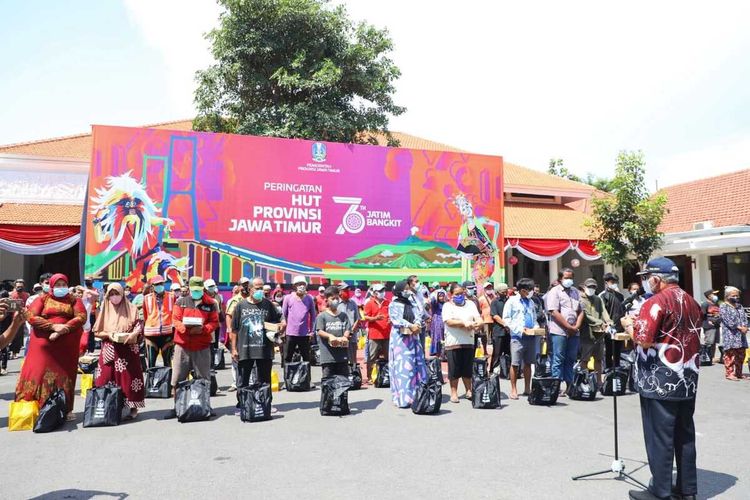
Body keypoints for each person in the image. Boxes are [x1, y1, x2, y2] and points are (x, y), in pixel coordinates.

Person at [625, 257, 702, 500]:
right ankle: (687, 489)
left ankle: (660, 491)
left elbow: (644, 339)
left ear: (657, 279)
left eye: (648, 278)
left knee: (660, 437)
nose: (647, 282)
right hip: (687, 377)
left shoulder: (655, 302)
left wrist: (629, 325)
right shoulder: (691, 301)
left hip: (659, 379)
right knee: (684, 434)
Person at [15, 273, 86, 418]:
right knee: (38, 372)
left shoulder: (74, 300)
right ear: (52, 286)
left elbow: (81, 317)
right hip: (43, 343)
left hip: (66, 346)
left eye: (63, 285)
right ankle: (35, 406)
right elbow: (31, 316)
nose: (61, 288)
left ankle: (65, 409)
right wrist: (52, 327)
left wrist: (64, 328)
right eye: (58, 285)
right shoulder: (43, 298)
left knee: (65, 375)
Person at [166, 276, 219, 418]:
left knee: (204, 378)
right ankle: (177, 406)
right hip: (182, 346)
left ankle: (205, 405)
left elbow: (214, 322)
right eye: (194, 290)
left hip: (201, 346)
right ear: (189, 289)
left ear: (203, 289)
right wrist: (185, 329)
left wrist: (203, 329)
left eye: (199, 290)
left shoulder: (211, 304)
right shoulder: (181, 302)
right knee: (178, 378)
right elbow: (175, 320)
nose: (197, 292)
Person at [230, 277, 283, 413]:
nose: (260, 291)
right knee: (243, 380)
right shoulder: (240, 306)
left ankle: (265, 404)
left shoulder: (268, 305)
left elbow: (278, 322)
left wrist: (281, 326)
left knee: (264, 379)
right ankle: (243, 405)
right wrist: (234, 349)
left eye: (262, 288)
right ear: (250, 289)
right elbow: (234, 329)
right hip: (244, 349)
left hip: (264, 349)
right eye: (257, 288)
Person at [93, 283, 145, 419]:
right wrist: (109, 335)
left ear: (122, 294)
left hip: (128, 349)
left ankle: (133, 407)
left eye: (117, 294)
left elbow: (139, 325)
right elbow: (97, 332)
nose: (114, 297)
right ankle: (106, 405)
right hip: (110, 349)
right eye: (111, 294)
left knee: (130, 379)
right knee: (103, 378)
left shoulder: (132, 308)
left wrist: (133, 334)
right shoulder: (105, 309)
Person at [387, 280, 428, 408]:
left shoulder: (412, 302)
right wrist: (410, 325)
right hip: (401, 340)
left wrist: (417, 324)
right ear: (399, 291)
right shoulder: (393, 304)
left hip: (414, 338)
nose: (408, 290)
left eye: (408, 288)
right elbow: (396, 319)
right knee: (404, 368)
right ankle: (404, 398)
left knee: (417, 365)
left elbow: (419, 314)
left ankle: (418, 395)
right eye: (405, 288)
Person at [441, 282, 482, 403]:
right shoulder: (447, 306)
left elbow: (477, 317)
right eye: (457, 294)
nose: (460, 296)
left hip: (468, 340)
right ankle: (454, 392)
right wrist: (464, 323)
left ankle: (468, 390)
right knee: (454, 368)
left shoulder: (470, 304)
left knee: (467, 367)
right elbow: (449, 321)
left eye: (462, 293)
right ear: (451, 294)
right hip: (453, 341)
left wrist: (479, 323)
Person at [546, 267, 583, 395]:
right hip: (559, 331)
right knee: (558, 358)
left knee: (571, 358)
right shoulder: (555, 292)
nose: (569, 280)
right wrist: (568, 326)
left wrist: (576, 326)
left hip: (574, 331)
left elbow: (581, 311)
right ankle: (555, 387)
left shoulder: (576, 292)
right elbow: (553, 311)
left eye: (571, 278)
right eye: (566, 278)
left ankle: (569, 386)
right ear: (560, 279)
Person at [502, 278, 539, 399]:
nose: (532, 292)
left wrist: (536, 328)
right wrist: (519, 329)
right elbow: (506, 319)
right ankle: (514, 389)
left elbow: (534, 318)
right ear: (523, 290)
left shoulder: (531, 302)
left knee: (528, 363)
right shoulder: (512, 301)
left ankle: (527, 388)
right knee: (515, 363)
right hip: (517, 337)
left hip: (530, 336)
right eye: (530, 290)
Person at [315, 286, 352, 380]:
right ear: (327, 300)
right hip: (328, 357)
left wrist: (345, 336)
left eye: (337, 298)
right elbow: (319, 331)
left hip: (342, 356)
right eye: (333, 298)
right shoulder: (322, 316)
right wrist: (330, 336)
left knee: (343, 382)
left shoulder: (343, 316)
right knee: (328, 383)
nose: (335, 300)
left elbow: (348, 328)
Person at [579, 278, 611, 385]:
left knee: (598, 358)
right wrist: (599, 322)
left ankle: (598, 381)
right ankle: (585, 381)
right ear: (584, 287)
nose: (591, 289)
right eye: (589, 287)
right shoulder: (581, 300)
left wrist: (608, 321)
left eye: (593, 287)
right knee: (585, 359)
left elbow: (604, 312)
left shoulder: (598, 299)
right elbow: (586, 315)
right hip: (586, 333)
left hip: (599, 333)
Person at [142, 275, 176, 368]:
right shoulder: (146, 298)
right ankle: (150, 382)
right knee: (151, 363)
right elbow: (145, 316)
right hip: (151, 335)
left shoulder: (171, 296)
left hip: (167, 334)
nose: (159, 285)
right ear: (152, 286)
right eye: (157, 284)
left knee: (167, 363)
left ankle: (167, 382)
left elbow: (175, 314)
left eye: (161, 283)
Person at [282, 276, 316, 363]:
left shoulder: (309, 299)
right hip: (290, 333)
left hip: (304, 334)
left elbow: (313, 316)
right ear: (294, 286)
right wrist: (283, 331)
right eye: (299, 284)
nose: (302, 286)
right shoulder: (288, 298)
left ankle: (305, 376)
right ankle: (287, 376)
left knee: (306, 358)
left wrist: (312, 331)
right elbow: (283, 315)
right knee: (287, 358)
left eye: (303, 284)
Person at [718, 286, 748, 381]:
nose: (736, 297)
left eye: (737, 295)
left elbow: (744, 317)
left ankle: (739, 373)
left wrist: (745, 326)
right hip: (730, 335)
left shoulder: (740, 306)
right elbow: (727, 320)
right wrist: (739, 327)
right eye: (733, 295)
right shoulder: (723, 306)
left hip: (741, 335)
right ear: (727, 296)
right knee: (730, 354)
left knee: (741, 354)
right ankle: (730, 373)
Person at [363, 283, 390, 384]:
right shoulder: (369, 303)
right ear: (374, 293)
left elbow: (391, 314)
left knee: (388, 356)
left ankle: (386, 375)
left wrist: (390, 320)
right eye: (380, 291)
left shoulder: (388, 302)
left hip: (387, 334)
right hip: (374, 334)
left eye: (383, 290)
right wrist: (375, 318)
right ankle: (369, 376)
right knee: (372, 357)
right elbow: (365, 317)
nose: (382, 293)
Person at [599, 272, 625, 369]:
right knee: (609, 350)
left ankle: (617, 368)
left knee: (618, 351)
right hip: (609, 328)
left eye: (615, 282)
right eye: (612, 281)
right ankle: (608, 369)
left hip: (620, 327)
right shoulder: (603, 296)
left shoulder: (620, 296)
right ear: (606, 282)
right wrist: (607, 325)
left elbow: (623, 310)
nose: (614, 283)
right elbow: (602, 313)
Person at [337, 283, 361, 366]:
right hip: (339, 336)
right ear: (339, 292)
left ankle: (353, 375)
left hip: (352, 336)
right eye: (345, 290)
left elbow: (358, 319)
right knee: (340, 358)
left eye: (348, 290)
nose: (347, 292)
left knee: (352, 359)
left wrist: (350, 332)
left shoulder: (353, 303)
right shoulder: (335, 304)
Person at [489, 283, 510, 374]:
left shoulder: (509, 301)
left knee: (508, 351)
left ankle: (507, 370)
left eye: (506, 291)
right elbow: (495, 316)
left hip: (509, 331)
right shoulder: (495, 302)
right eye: (502, 292)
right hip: (498, 330)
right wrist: (505, 324)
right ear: (498, 292)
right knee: (497, 352)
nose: (505, 293)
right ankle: (493, 370)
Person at [8, 279, 29, 358]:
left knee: (18, 336)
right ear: (15, 286)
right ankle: (7, 351)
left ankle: (15, 352)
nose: (19, 288)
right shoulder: (10, 295)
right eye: (18, 286)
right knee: (9, 334)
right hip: (10, 318)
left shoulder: (27, 295)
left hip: (20, 318)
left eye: (21, 286)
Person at [700, 289, 721, 362]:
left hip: (716, 325)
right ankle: (707, 357)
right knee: (709, 342)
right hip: (709, 326)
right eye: (714, 294)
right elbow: (702, 315)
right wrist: (708, 322)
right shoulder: (705, 304)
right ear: (709, 296)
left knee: (714, 342)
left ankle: (712, 357)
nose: (715, 296)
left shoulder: (716, 304)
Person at [429, 289, 448, 359]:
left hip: (444, 321)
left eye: (443, 296)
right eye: (440, 296)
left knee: (444, 336)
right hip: (437, 321)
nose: (441, 298)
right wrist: (435, 292)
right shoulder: (435, 304)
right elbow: (432, 300)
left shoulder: (446, 304)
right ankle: (437, 352)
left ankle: (444, 353)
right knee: (437, 336)